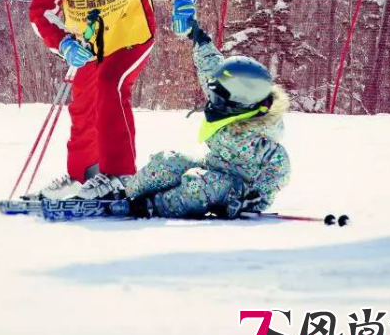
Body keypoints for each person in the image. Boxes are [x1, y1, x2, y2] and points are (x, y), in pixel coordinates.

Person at [29, 0, 197, 199]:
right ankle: (84, 176)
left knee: (111, 85)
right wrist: (64, 44)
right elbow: (40, 13)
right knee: (83, 107)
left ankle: (120, 176)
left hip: (131, 35)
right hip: (90, 45)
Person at [121, 25, 290, 218]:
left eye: (218, 99)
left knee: (195, 184)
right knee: (168, 162)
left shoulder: (262, 137)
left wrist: (255, 197)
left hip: (237, 189)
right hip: (212, 167)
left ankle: (153, 205)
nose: (212, 102)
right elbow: (211, 68)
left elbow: (280, 168)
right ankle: (128, 192)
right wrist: (200, 40)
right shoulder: (230, 100)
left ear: (242, 104)